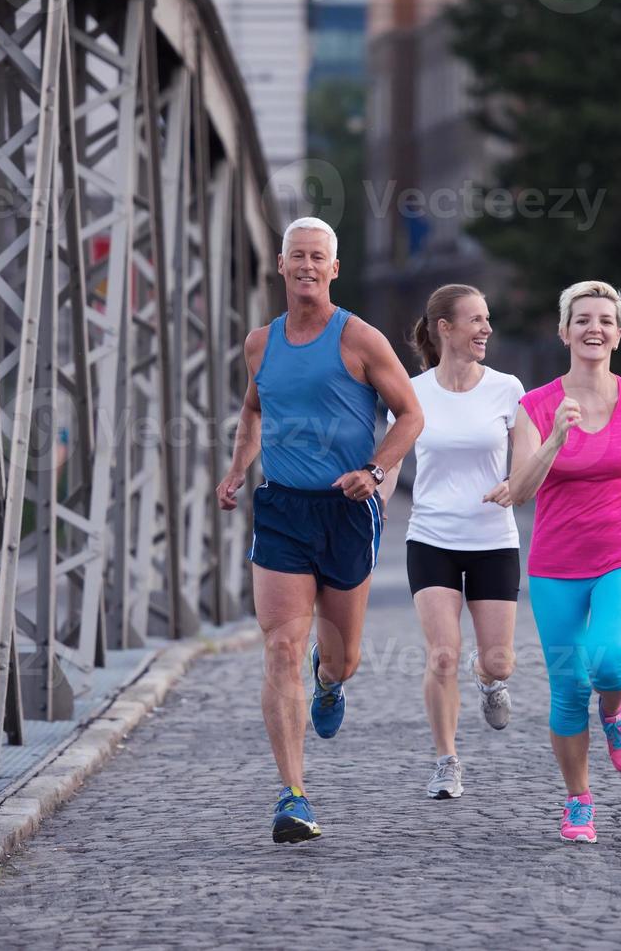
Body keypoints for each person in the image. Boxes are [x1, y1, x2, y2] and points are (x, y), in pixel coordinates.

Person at [216, 217, 424, 843]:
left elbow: (410, 415)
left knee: (343, 658)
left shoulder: (359, 338)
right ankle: (294, 795)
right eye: (297, 256)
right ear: (280, 266)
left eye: (318, 258)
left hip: (346, 510)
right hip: (281, 508)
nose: (307, 266)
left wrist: (376, 468)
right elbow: (254, 412)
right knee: (280, 646)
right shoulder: (260, 344)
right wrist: (236, 472)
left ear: (334, 269)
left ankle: (329, 682)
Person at [507, 281, 621, 843]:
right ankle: (578, 800)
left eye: (604, 320)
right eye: (581, 320)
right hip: (555, 564)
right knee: (566, 688)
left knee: (608, 664)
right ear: (564, 332)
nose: (593, 328)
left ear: (618, 335)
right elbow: (520, 489)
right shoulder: (535, 406)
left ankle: (617, 711)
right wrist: (555, 436)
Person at [381, 284, 525, 801]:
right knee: (442, 654)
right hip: (432, 536)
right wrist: (375, 499)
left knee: (499, 658)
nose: (487, 328)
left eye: (487, 319)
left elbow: (525, 457)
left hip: (492, 538)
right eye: (476, 320)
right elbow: (392, 462)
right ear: (445, 328)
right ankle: (446, 761)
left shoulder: (507, 389)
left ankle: (489, 681)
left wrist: (517, 481)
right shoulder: (412, 392)